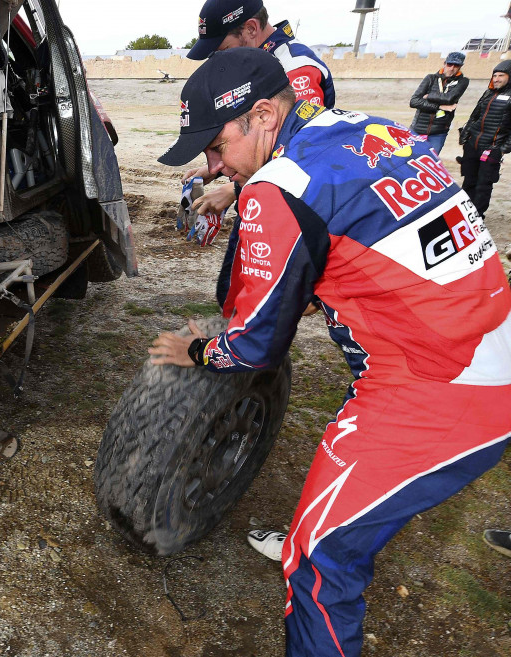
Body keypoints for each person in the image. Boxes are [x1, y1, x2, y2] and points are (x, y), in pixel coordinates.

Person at [152, 47, 511, 657]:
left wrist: (194, 348)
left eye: (216, 146)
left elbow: (254, 348)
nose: (214, 165)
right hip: (484, 337)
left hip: (439, 386)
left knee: (318, 560)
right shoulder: (371, 127)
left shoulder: (275, 188)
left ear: (263, 115)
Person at [183, 0, 336, 219]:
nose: (222, 61)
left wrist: (233, 190)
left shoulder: (296, 67)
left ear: (251, 29)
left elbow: (302, 147)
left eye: (225, 50)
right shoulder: (256, 62)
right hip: (265, 188)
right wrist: (218, 167)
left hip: (298, 201)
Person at [459, 59, 511, 217]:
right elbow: (474, 116)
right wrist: (465, 136)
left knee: (483, 185)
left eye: (501, 75)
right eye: (494, 75)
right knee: (469, 181)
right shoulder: (488, 93)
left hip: (492, 149)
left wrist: (502, 149)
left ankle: (477, 215)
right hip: (472, 145)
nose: (496, 79)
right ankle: (465, 213)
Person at [409, 51, 469, 155]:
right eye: (450, 64)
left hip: (438, 132)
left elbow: (450, 98)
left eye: (456, 65)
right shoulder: (430, 78)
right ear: (444, 63)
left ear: (460, 67)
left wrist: (428, 96)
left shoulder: (463, 81)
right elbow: (414, 101)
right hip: (418, 129)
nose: (452, 68)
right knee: (409, 158)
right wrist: (440, 106)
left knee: (430, 160)